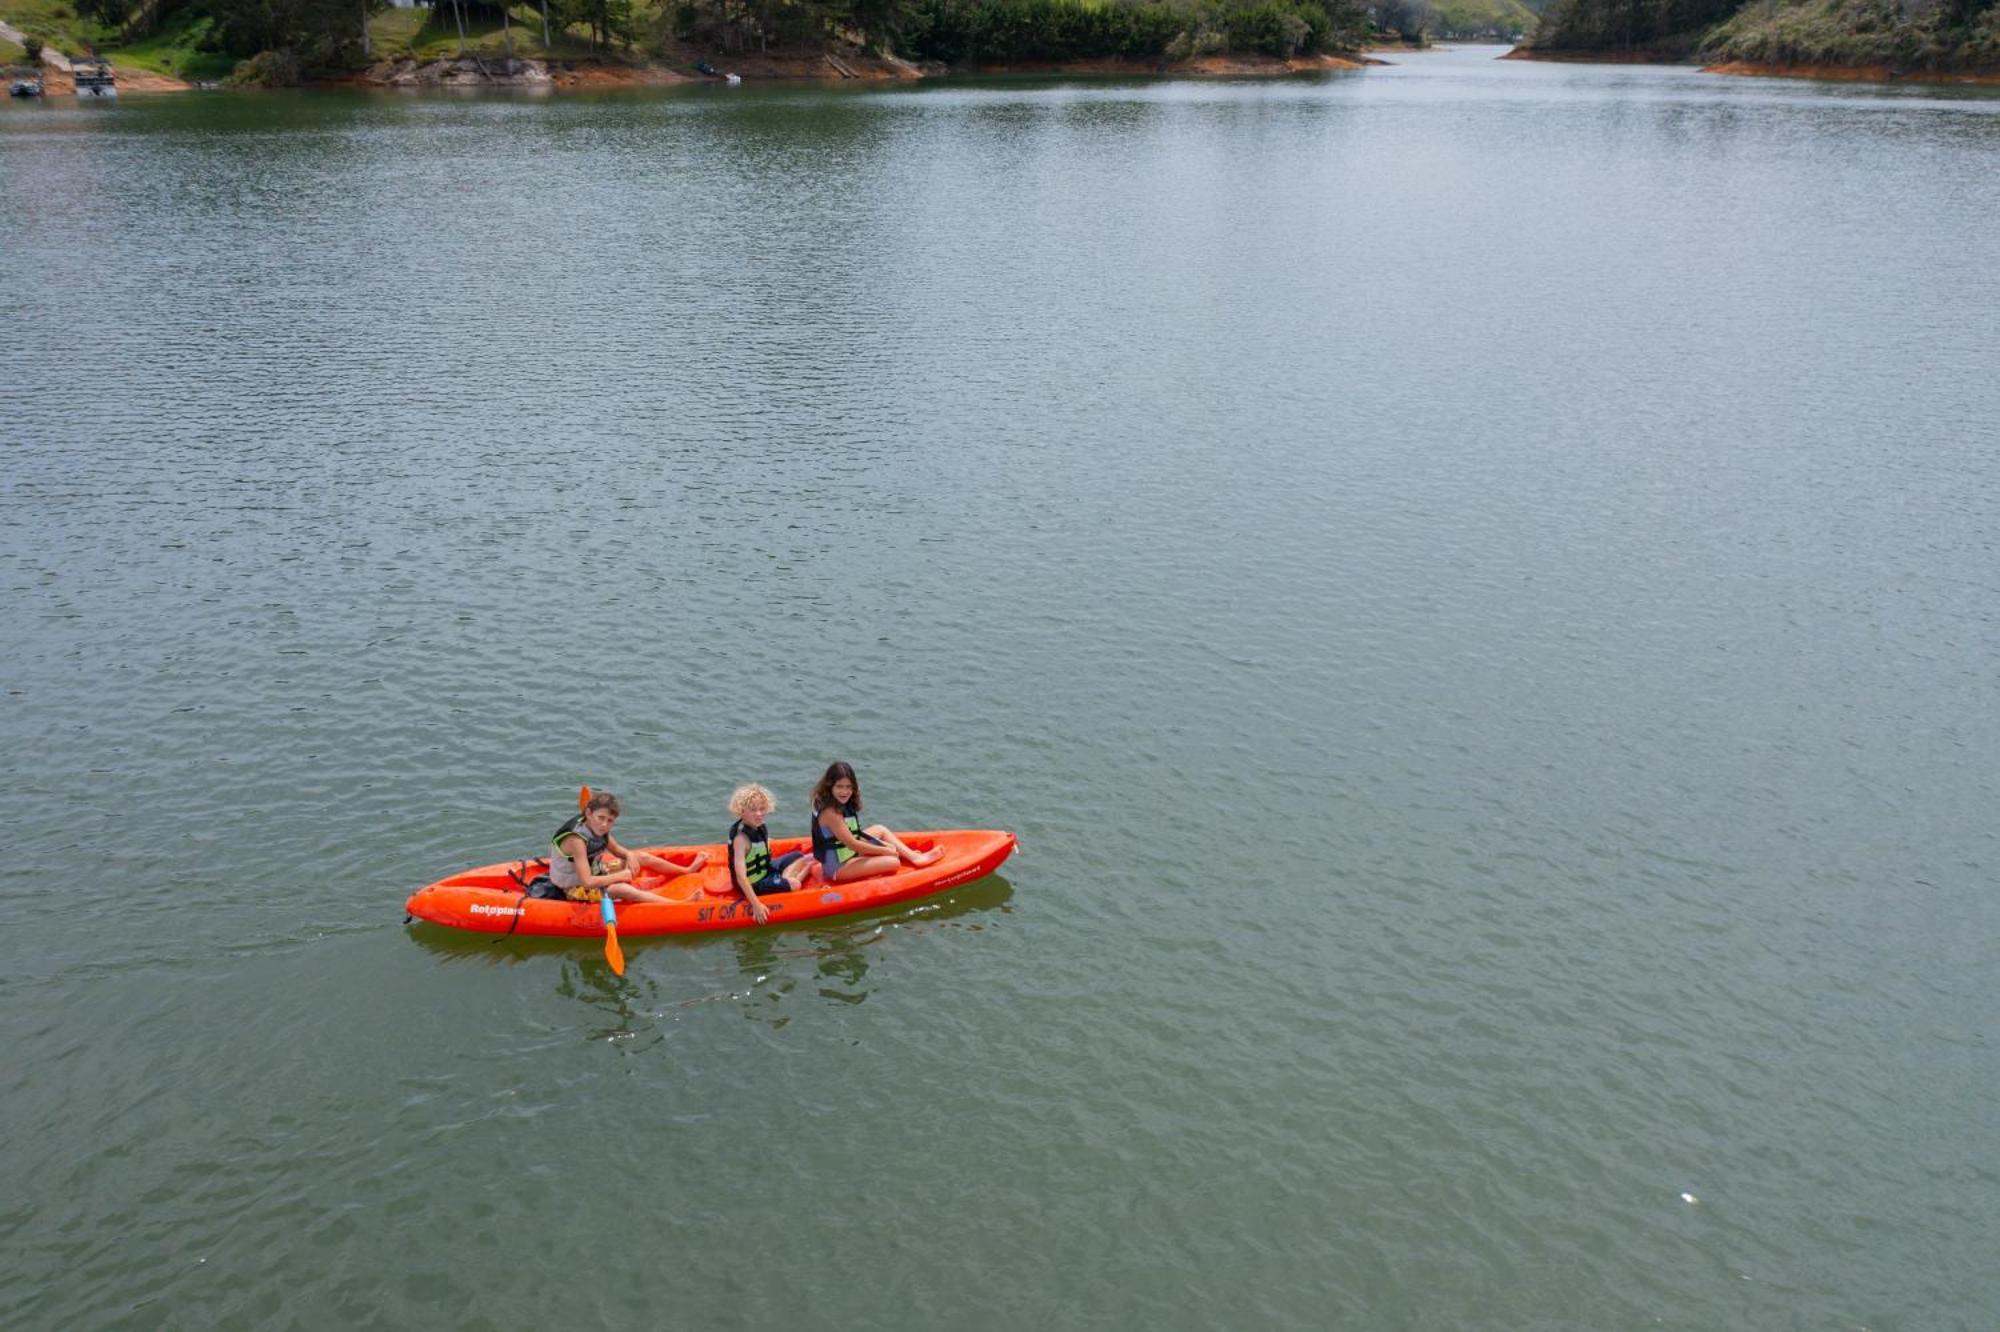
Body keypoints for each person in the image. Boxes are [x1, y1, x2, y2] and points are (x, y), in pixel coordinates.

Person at [549, 791, 705, 905]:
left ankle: (686, 870)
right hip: (574, 887)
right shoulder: (577, 840)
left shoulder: (597, 827)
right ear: (588, 813)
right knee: (624, 890)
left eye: (610, 821)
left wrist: (629, 855)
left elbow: (616, 850)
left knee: (642, 857)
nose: (604, 824)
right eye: (601, 818)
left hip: (596, 870)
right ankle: (681, 904)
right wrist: (620, 876)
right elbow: (588, 882)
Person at [808, 760, 940, 884]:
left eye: (849, 787)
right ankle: (895, 856)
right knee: (893, 862)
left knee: (880, 829)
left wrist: (882, 847)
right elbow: (854, 844)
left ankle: (914, 857)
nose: (845, 792)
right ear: (830, 786)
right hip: (838, 868)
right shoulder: (831, 813)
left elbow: (855, 836)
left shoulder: (836, 801)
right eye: (839, 787)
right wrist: (884, 851)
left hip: (848, 853)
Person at [726, 783, 815, 925]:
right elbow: (741, 877)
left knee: (797, 856)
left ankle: (783, 878)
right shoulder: (741, 840)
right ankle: (801, 873)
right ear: (741, 811)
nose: (759, 814)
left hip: (765, 869)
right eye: (753, 810)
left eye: (762, 809)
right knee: (795, 884)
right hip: (754, 883)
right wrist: (756, 905)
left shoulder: (759, 826)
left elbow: (761, 845)